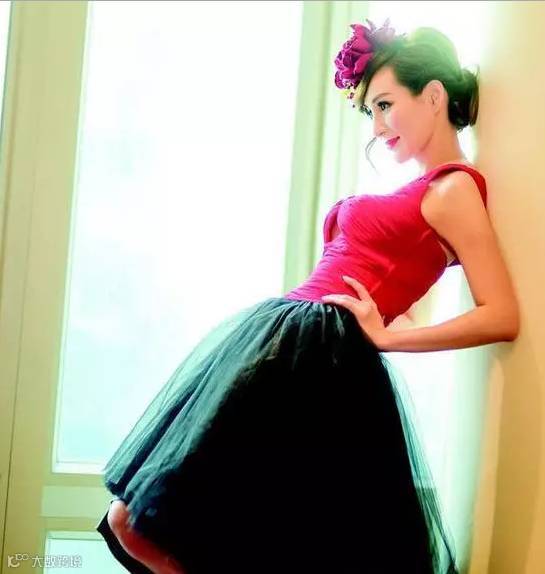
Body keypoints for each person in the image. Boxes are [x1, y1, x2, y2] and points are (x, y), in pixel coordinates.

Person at [95, 19, 519, 574]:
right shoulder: (422, 191)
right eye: (370, 112)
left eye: (386, 105)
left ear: (433, 96)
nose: (377, 126)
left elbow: (501, 314)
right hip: (289, 348)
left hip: (318, 361)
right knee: (147, 521)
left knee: (155, 522)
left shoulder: (453, 189)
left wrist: (389, 338)